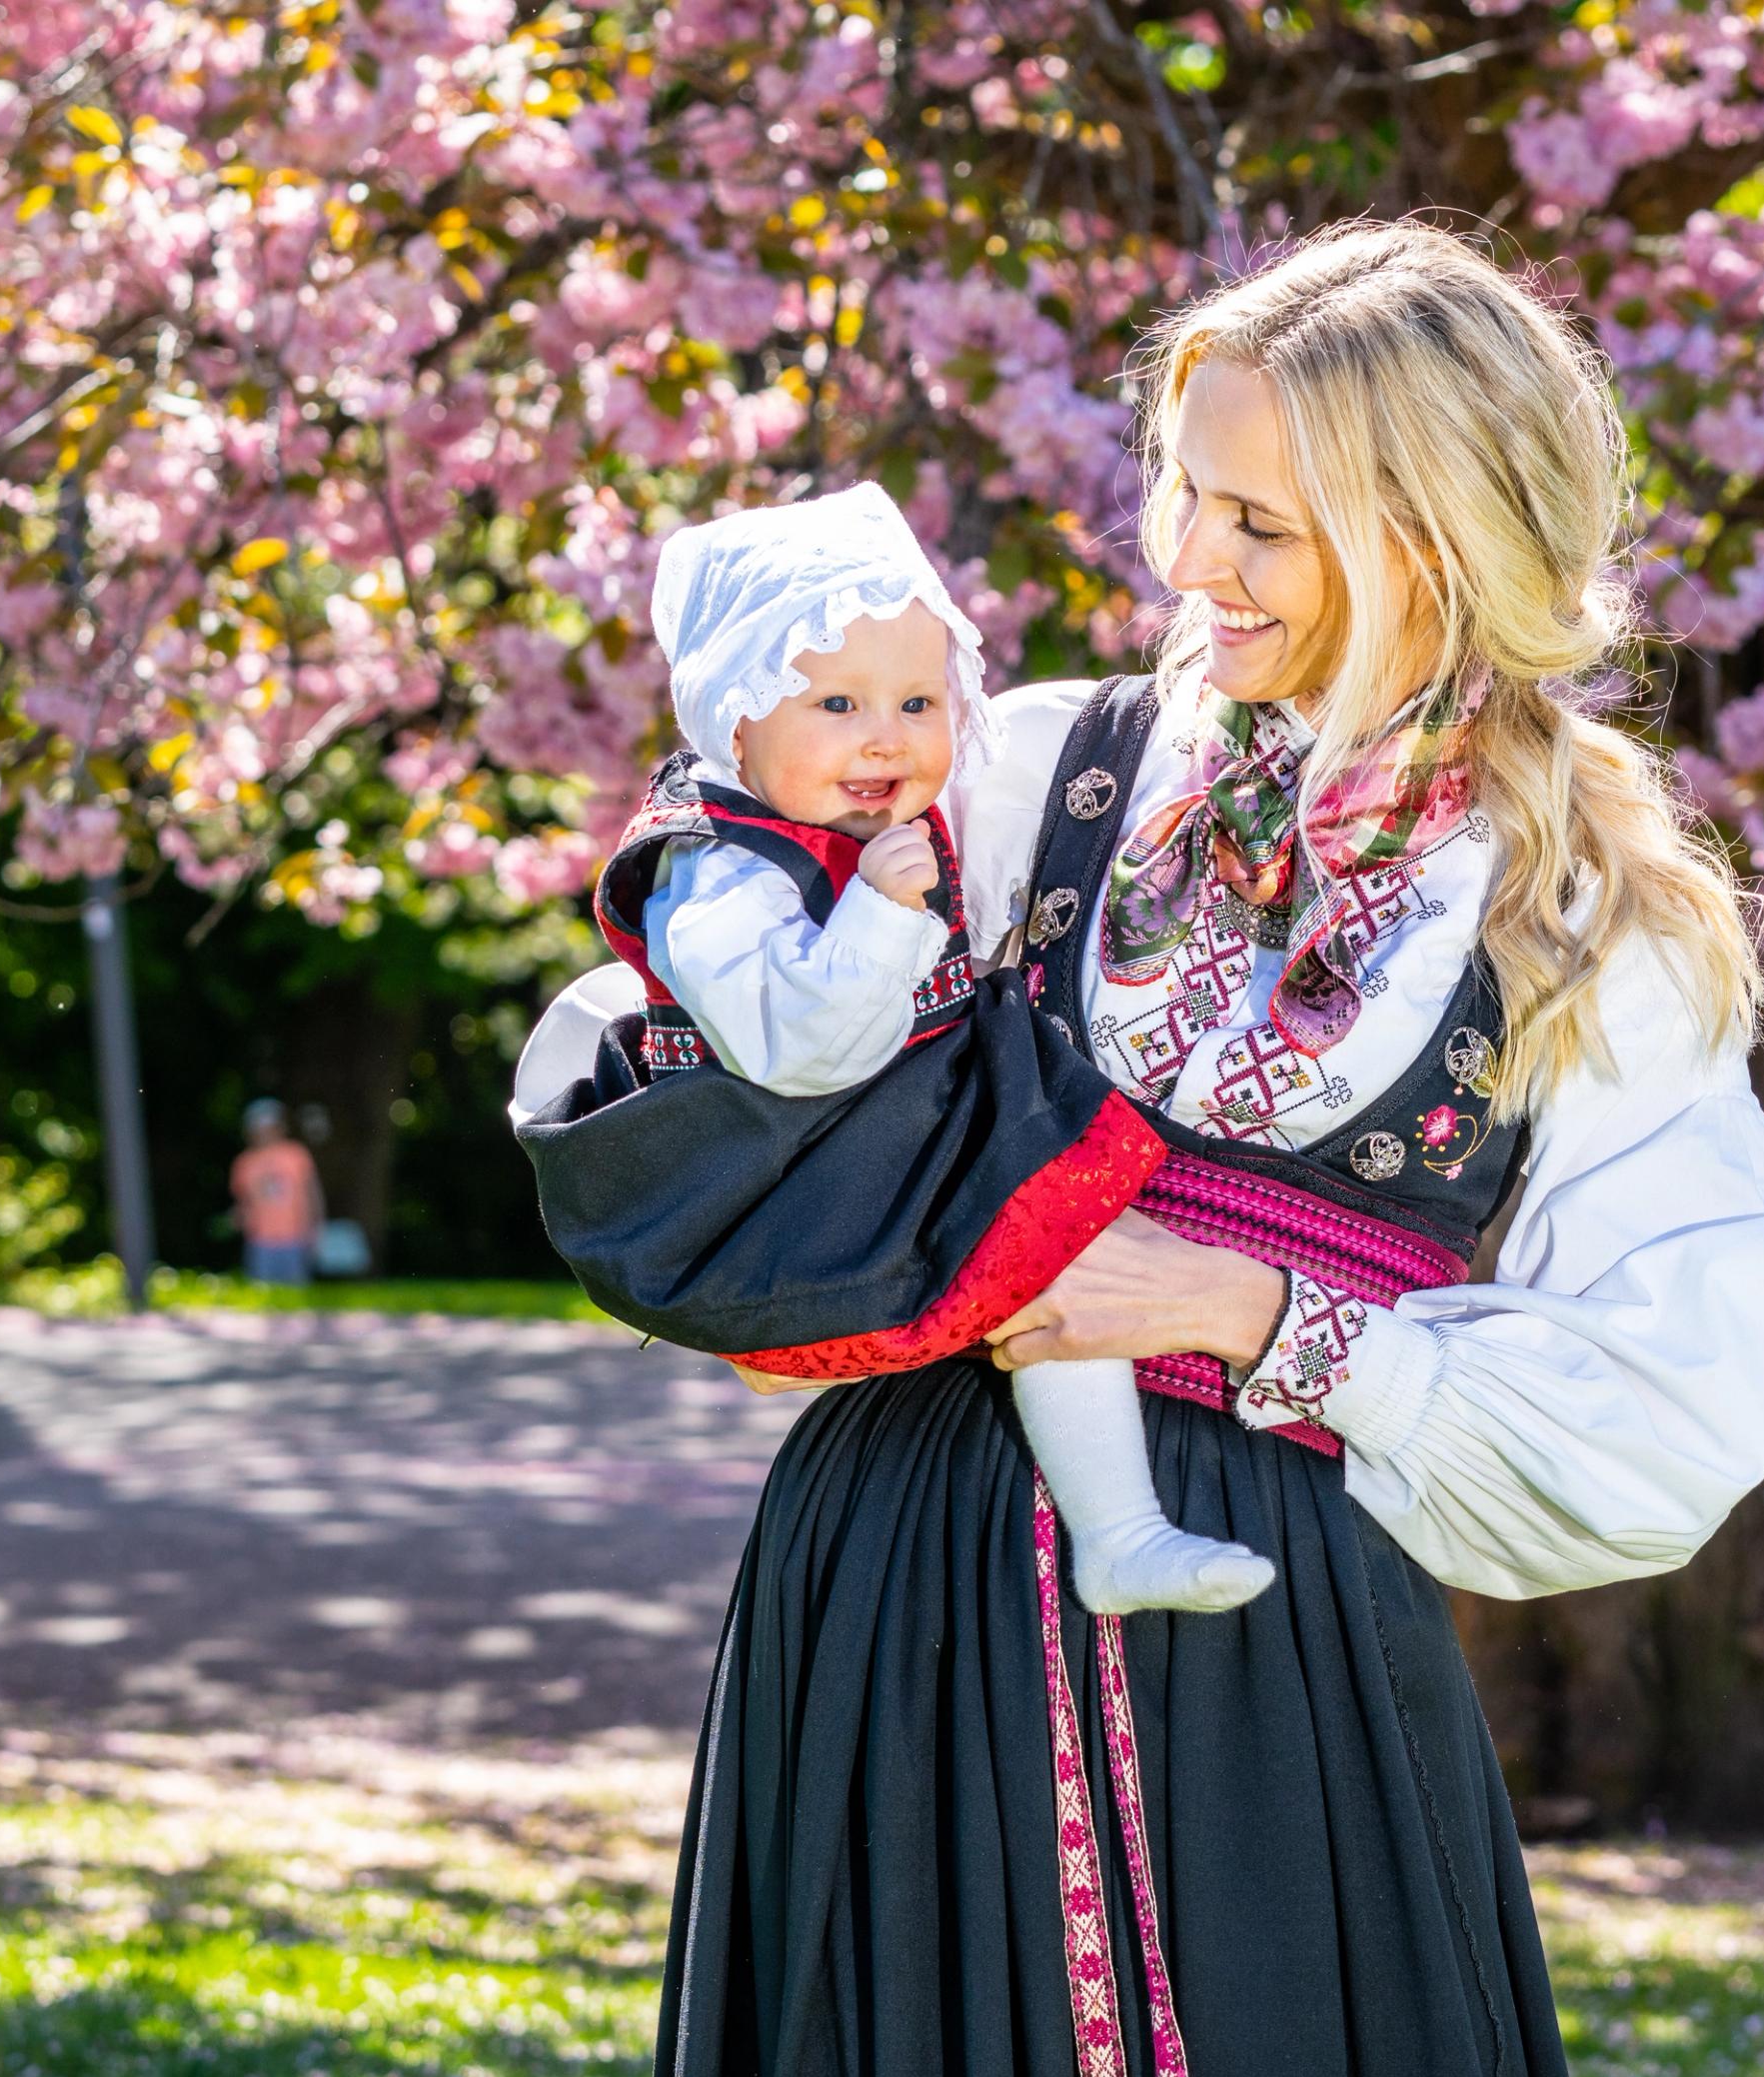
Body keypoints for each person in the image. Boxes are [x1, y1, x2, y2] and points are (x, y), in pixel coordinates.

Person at [549, 223, 1764, 2077]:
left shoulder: (1586, 905)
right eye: (1184, 490)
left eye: (1259, 521)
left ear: (1434, 538)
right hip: (893, 1586)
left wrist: (1239, 1305)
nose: (1186, 557)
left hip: (1261, 1644)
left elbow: (1671, 1403)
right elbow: (729, 957)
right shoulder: (1031, 768)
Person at [522, 484, 1268, 1614]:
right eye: (835, 701)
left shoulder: (869, 825)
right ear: (734, 721)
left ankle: (1120, 1534)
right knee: (1048, 1231)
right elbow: (802, 1046)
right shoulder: (712, 870)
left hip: (883, 1123)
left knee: (1062, 1238)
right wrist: (878, 912)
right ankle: (1120, 1528)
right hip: (790, 1165)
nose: (885, 734)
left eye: (919, 699)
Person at [230, 1098, 322, 1286]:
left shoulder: (297, 1154)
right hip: (260, 1242)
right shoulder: (244, 1162)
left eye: (270, 1125)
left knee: (296, 1299)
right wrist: (239, 1217)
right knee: (261, 1297)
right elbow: (242, 1203)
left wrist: (315, 1230)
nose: (265, 1131)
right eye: (259, 1125)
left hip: (295, 1239)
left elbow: (313, 1195)